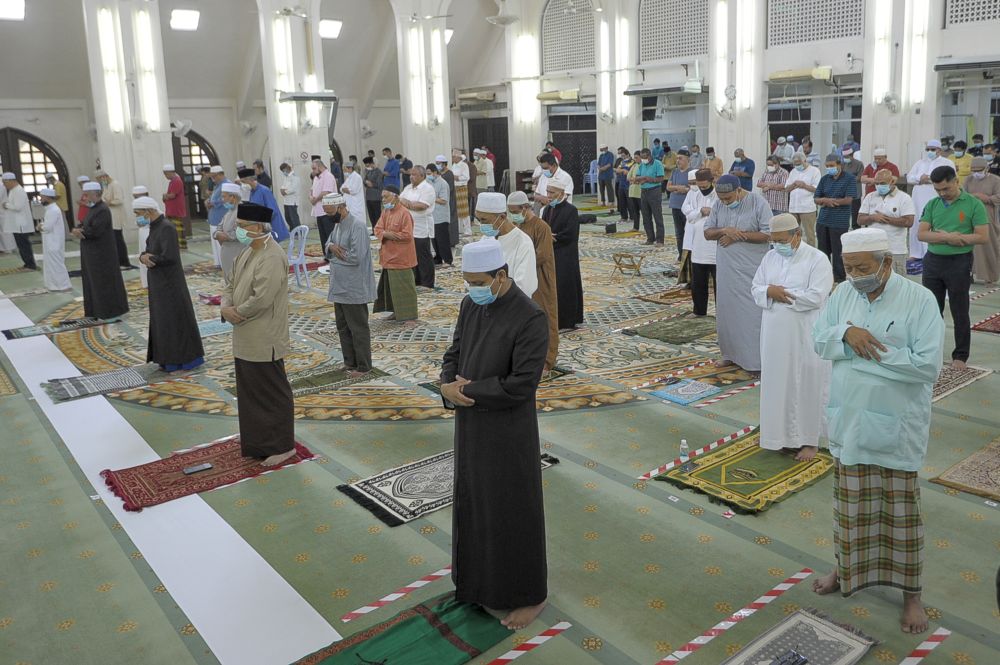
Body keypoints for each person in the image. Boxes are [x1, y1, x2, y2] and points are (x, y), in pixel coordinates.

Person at [811, 227, 945, 635]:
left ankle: (912, 595)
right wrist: (845, 335)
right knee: (849, 511)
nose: (854, 275)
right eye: (848, 267)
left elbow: (927, 367)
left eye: (862, 267)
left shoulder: (919, 300)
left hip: (894, 425)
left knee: (900, 515)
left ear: (887, 263)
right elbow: (820, 340)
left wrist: (868, 353)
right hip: (849, 420)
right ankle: (844, 570)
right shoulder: (843, 294)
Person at [439, 237, 549, 632]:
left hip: (507, 432)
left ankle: (529, 594)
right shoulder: (471, 304)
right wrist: (446, 384)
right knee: (474, 501)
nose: (472, 289)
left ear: (501, 276)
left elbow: (521, 384)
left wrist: (466, 392)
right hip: (471, 426)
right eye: (467, 282)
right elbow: (454, 352)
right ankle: (477, 584)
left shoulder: (530, 317)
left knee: (511, 508)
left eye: (478, 281)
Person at [752, 213, 833, 461]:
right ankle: (775, 435)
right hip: (774, 336)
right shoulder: (770, 256)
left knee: (805, 384)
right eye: (773, 240)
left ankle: (809, 441)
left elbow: (817, 296)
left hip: (804, 335)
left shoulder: (817, 259)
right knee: (777, 383)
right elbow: (756, 287)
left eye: (781, 240)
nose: (777, 245)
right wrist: (769, 290)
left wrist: (782, 294)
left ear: (796, 235)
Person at [221, 203, 296, 467]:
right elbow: (229, 283)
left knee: (272, 392)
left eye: (242, 227)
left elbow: (262, 298)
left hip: (265, 336)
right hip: (244, 334)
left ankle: (283, 445)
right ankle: (259, 443)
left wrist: (236, 312)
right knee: (251, 393)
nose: (238, 231)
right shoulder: (246, 252)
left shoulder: (272, 256)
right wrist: (225, 306)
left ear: (257, 228)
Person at [918, 165, 990, 369]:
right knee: (931, 310)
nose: (942, 194)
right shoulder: (933, 204)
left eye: (946, 189)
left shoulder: (973, 204)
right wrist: (949, 237)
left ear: (956, 182)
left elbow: (982, 236)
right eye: (938, 190)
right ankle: (930, 351)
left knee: (959, 310)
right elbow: (922, 234)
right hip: (933, 261)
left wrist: (957, 239)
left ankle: (960, 355)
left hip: (959, 262)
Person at [703, 174, 771, 372]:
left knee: (751, 314)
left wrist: (738, 236)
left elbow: (768, 234)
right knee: (727, 311)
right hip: (726, 270)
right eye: (722, 199)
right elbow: (708, 232)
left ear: (739, 191)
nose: (725, 202)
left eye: (729, 198)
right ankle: (729, 355)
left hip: (752, 268)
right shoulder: (718, 204)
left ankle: (755, 362)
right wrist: (725, 230)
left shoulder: (758, 203)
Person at [135, 196, 204, 372]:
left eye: (139, 213)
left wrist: (151, 258)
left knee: (174, 320)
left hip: (170, 283)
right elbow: (151, 249)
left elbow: (170, 256)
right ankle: (166, 359)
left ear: (148, 211)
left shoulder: (166, 227)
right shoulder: (155, 226)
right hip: (159, 282)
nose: (138, 217)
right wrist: (143, 256)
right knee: (163, 320)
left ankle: (182, 360)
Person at [323, 194, 376, 376]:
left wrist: (336, 259)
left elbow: (356, 257)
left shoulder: (357, 226)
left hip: (354, 286)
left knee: (358, 328)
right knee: (343, 326)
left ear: (341, 207)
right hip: (339, 286)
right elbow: (328, 244)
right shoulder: (337, 225)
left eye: (330, 213)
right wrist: (331, 247)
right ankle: (350, 362)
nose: (329, 217)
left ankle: (364, 366)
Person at [507, 191, 558, 371]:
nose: (512, 214)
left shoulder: (541, 227)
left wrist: (519, 262)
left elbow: (542, 256)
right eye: (510, 211)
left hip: (540, 278)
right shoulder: (514, 226)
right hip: (518, 277)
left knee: (545, 317)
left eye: (515, 211)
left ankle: (547, 360)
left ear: (526, 208)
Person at [72, 181, 129, 320]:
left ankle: (109, 311)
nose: (85, 198)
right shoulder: (94, 209)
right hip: (91, 253)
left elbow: (96, 230)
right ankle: (94, 311)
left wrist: (82, 232)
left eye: (87, 195)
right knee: (92, 281)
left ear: (95, 194)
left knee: (103, 282)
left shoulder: (103, 209)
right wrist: (79, 228)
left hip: (102, 254)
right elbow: (87, 223)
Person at [373, 185, 419, 321]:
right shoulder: (386, 212)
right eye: (382, 197)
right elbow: (377, 229)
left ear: (396, 197)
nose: (383, 199)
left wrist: (387, 234)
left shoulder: (404, 213)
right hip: (388, 256)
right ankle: (396, 312)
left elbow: (407, 235)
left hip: (402, 258)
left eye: (386, 196)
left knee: (405, 289)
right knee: (391, 289)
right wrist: (387, 234)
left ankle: (410, 317)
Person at [857, 169, 915, 274]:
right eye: (877, 183)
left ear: (892, 182)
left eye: (882, 183)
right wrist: (873, 218)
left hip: (896, 250)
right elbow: (860, 220)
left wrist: (886, 219)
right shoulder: (870, 196)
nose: (879, 186)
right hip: (873, 249)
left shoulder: (904, 198)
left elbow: (909, 222)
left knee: (897, 283)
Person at [542, 181, 583, 331]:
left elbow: (571, 234)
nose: (549, 195)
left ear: (560, 193)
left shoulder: (571, 210)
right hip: (551, 253)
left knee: (566, 285)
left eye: (552, 192)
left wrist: (555, 237)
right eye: (547, 192)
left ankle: (568, 320)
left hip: (566, 254)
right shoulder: (547, 209)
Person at [479, 192, 537, 298]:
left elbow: (524, 286)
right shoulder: (485, 239)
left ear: (502, 217)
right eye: (479, 220)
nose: (481, 225)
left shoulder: (522, 242)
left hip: (512, 305)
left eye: (484, 220)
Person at [906, 139, 954, 259]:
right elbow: (909, 178)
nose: (930, 152)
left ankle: (931, 251)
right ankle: (916, 253)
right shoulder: (920, 163)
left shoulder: (946, 162)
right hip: (918, 196)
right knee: (917, 222)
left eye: (933, 149)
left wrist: (932, 179)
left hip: (935, 195)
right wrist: (919, 178)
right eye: (928, 149)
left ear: (939, 150)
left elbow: (952, 177)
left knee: (934, 222)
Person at [814, 153, 857, 282]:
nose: (829, 168)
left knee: (838, 253)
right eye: (827, 166)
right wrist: (824, 200)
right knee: (823, 252)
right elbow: (816, 198)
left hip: (839, 222)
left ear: (840, 165)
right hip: (823, 221)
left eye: (831, 166)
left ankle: (839, 279)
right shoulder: (824, 179)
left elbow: (849, 200)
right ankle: (825, 277)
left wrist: (833, 202)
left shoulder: (849, 179)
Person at [682, 169, 719, 317]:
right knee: (698, 283)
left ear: (712, 182)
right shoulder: (694, 194)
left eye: (705, 186)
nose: (703, 189)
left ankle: (721, 312)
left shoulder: (719, 195)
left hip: (715, 248)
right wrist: (701, 211)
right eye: (700, 186)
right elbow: (688, 214)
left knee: (719, 284)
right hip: (698, 245)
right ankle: (699, 311)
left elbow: (719, 216)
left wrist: (706, 212)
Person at [399, 165, 437, 288]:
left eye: (414, 174)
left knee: (423, 255)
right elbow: (399, 200)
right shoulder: (408, 188)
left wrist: (407, 203)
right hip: (407, 226)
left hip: (422, 227)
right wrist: (408, 204)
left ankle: (427, 282)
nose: (411, 177)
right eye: (410, 174)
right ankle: (416, 279)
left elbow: (421, 206)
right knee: (411, 254)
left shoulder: (428, 188)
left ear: (422, 176)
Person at [966, 156, 1000, 284]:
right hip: (970, 216)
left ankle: (990, 276)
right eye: (974, 170)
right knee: (969, 246)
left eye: (979, 170)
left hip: (988, 216)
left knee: (989, 245)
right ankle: (969, 274)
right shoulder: (969, 179)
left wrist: (987, 198)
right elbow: (963, 194)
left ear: (986, 169)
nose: (976, 173)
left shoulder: (995, 180)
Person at [238, 168, 289, 242]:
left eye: (243, 182)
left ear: (249, 180)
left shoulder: (264, 191)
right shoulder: (252, 192)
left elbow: (272, 212)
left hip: (273, 228)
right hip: (261, 229)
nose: (242, 185)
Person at [96, 170, 133, 269]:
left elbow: (119, 200)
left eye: (100, 179)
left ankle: (124, 262)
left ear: (105, 177)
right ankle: (116, 261)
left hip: (117, 216)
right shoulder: (107, 186)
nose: (101, 182)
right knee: (113, 240)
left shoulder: (115, 184)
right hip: (110, 216)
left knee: (118, 239)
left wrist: (109, 203)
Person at [36, 187, 72, 292]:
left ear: (48, 198)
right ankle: (54, 285)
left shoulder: (53, 210)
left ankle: (64, 285)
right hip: (51, 241)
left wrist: (39, 227)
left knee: (57, 265)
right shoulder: (51, 209)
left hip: (54, 243)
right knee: (51, 265)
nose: (41, 199)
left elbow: (47, 227)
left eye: (42, 197)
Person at [1, 173, 38, 270]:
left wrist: (6, 205)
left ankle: (31, 264)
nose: (5, 186)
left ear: (10, 181)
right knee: (21, 245)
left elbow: (18, 207)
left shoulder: (19, 191)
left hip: (21, 224)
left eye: (5, 183)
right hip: (17, 224)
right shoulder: (13, 190)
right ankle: (27, 263)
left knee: (24, 245)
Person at [784, 152, 822, 246]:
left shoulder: (814, 171)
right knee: (793, 233)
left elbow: (817, 189)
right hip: (793, 207)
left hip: (807, 208)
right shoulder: (793, 171)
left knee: (810, 234)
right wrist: (794, 184)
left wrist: (804, 185)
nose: (797, 166)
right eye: (795, 164)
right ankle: (795, 251)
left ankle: (811, 255)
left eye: (799, 163)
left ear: (805, 160)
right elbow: (786, 189)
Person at [214, 182, 245, 282]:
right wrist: (218, 234)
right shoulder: (229, 212)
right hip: (227, 254)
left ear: (233, 197)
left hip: (238, 252)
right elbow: (219, 227)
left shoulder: (243, 211)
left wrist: (226, 237)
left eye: (224, 197)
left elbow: (242, 232)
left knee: (239, 282)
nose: (222, 200)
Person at [636, 148, 666, 246]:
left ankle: (660, 240)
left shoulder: (657, 164)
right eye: (642, 158)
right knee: (646, 217)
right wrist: (641, 179)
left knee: (657, 216)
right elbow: (637, 177)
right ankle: (650, 238)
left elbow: (661, 178)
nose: (643, 159)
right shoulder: (642, 165)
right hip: (644, 192)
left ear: (649, 156)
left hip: (654, 191)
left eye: (644, 157)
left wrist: (649, 179)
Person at [427, 164, 453, 268]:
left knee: (443, 239)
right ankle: (438, 258)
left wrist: (431, 198)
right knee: (434, 239)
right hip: (432, 215)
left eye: (429, 173)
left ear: (435, 172)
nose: (428, 175)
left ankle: (447, 259)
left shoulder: (443, 183)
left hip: (441, 216)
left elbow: (443, 200)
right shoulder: (429, 182)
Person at [666, 149, 691, 258]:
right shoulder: (674, 172)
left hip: (688, 207)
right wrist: (678, 187)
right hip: (675, 205)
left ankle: (689, 255)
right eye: (677, 158)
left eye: (680, 158)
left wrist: (685, 190)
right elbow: (668, 187)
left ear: (688, 160)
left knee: (689, 232)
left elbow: (695, 188)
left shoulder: (692, 172)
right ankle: (681, 255)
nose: (678, 161)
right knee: (679, 232)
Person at [309, 158, 338, 249]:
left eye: (314, 168)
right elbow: (311, 190)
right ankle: (326, 256)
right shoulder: (317, 178)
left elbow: (326, 192)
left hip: (328, 211)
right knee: (323, 235)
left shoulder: (328, 176)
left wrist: (315, 199)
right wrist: (310, 197)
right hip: (318, 211)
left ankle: (333, 257)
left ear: (320, 167)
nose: (313, 171)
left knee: (330, 234)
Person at [206, 166, 230, 265]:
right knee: (215, 243)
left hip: (221, 218)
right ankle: (218, 263)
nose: (213, 179)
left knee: (221, 244)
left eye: (214, 177)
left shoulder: (227, 184)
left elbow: (226, 199)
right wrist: (209, 201)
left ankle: (223, 263)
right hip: (214, 218)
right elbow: (214, 197)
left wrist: (213, 203)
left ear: (221, 174)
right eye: (211, 177)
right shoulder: (218, 185)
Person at [161, 164, 189, 248]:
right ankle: (177, 244)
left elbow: (172, 195)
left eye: (166, 174)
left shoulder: (176, 181)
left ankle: (180, 245)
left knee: (177, 228)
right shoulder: (173, 181)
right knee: (173, 227)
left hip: (175, 209)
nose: (165, 176)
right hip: (172, 208)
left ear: (170, 172)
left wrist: (165, 196)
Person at [437, 155, 460, 247]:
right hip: (442, 199)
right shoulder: (440, 173)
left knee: (451, 219)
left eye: (438, 163)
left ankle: (452, 241)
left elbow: (448, 188)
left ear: (444, 164)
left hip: (449, 200)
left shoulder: (449, 174)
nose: (437, 165)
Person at [339, 161, 366, 227]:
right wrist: (345, 190)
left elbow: (353, 191)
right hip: (348, 206)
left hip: (356, 206)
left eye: (344, 170)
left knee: (358, 224)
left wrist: (346, 190)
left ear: (350, 168)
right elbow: (341, 189)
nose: (344, 172)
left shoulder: (357, 177)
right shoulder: (348, 178)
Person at [362, 156, 384, 233]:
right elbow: (364, 181)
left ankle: (379, 230)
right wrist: (366, 182)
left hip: (376, 196)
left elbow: (379, 184)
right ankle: (374, 230)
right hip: (368, 196)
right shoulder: (367, 172)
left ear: (372, 164)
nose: (367, 167)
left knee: (377, 215)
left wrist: (372, 184)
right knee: (371, 216)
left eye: (368, 165)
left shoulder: (378, 172)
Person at [278, 163, 300, 231]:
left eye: (283, 170)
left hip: (292, 201)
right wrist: (282, 191)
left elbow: (293, 189)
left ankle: (298, 231)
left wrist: (285, 192)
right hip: (286, 201)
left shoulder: (295, 176)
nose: (283, 172)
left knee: (294, 218)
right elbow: (283, 186)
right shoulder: (286, 177)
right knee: (288, 217)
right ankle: (292, 230)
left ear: (287, 168)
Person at [614, 147, 633, 224]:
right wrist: (623, 170)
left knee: (630, 202)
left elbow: (629, 172)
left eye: (624, 155)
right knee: (622, 201)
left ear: (628, 154)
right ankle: (623, 217)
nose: (623, 157)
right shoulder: (622, 162)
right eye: (622, 156)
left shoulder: (632, 162)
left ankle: (632, 217)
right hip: (621, 184)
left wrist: (623, 171)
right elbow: (617, 170)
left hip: (628, 185)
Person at [626, 150, 643, 231]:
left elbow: (642, 178)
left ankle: (648, 228)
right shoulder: (634, 166)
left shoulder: (644, 166)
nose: (635, 159)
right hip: (632, 191)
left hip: (640, 192)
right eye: (634, 158)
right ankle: (635, 227)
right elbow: (628, 177)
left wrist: (635, 179)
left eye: (637, 158)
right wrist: (635, 179)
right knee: (635, 211)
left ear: (641, 157)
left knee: (644, 212)